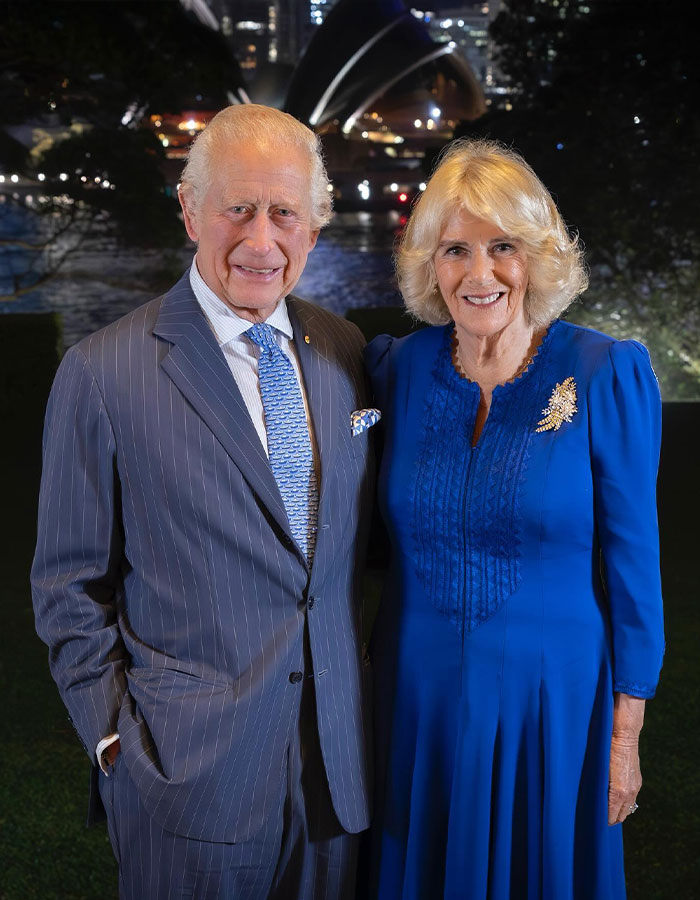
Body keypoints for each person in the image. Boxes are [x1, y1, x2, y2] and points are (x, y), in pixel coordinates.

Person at [31, 104, 376, 900]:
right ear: (190, 211)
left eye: (284, 213)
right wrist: (115, 740)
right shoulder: (103, 372)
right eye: (238, 208)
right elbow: (68, 584)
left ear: (314, 226)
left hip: (337, 778)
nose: (261, 239)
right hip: (186, 783)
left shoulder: (345, 350)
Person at [365, 139, 664, 899]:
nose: (480, 273)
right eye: (455, 250)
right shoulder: (398, 369)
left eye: (503, 247)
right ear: (430, 264)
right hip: (417, 703)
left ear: (537, 254)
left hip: (554, 708)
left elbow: (635, 565)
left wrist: (625, 734)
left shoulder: (604, 372)